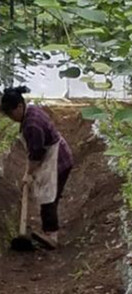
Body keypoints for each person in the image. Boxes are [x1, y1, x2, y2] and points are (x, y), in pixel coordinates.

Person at [1, 86, 73, 248]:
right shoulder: (31, 110)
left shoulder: (32, 125)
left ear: (19, 107)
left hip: (57, 160)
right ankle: (48, 231)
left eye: (11, 114)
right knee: (48, 196)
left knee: (49, 197)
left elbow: (37, 154)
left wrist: (28, 174)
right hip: (54, 155)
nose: (11, 118)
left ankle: (51, 236)